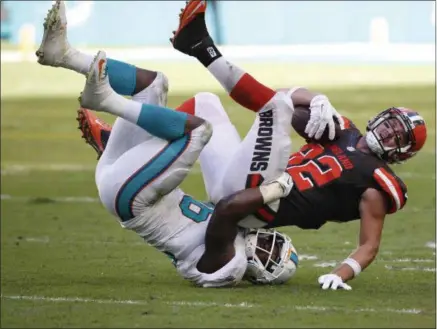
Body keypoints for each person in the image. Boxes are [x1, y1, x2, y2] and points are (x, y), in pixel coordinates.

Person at [36, 1, 299, 287]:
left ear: (261, 274)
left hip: (129, 197)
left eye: (270, 255)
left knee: (198, 132)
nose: (267, 244)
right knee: (159, 87)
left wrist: (276, 188)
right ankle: (64, 55)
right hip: (128, 179)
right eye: (274, 244)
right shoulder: (235, 240)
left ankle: (107, 101)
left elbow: (226, 210)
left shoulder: (229, 268)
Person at [169, 0, 428, 291]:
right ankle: (120, 139)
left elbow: (369, 245)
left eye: (398, 137)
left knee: (275, 108)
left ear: (401, 153)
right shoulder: (342, 131)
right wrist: (315, 97)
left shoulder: (376, 182)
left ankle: (202, 47)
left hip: (262, 203)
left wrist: (340, 274)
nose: (389, 133)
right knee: (204, 103)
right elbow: (281, 97)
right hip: (238, 186)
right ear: (381, 116)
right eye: (390, 124)